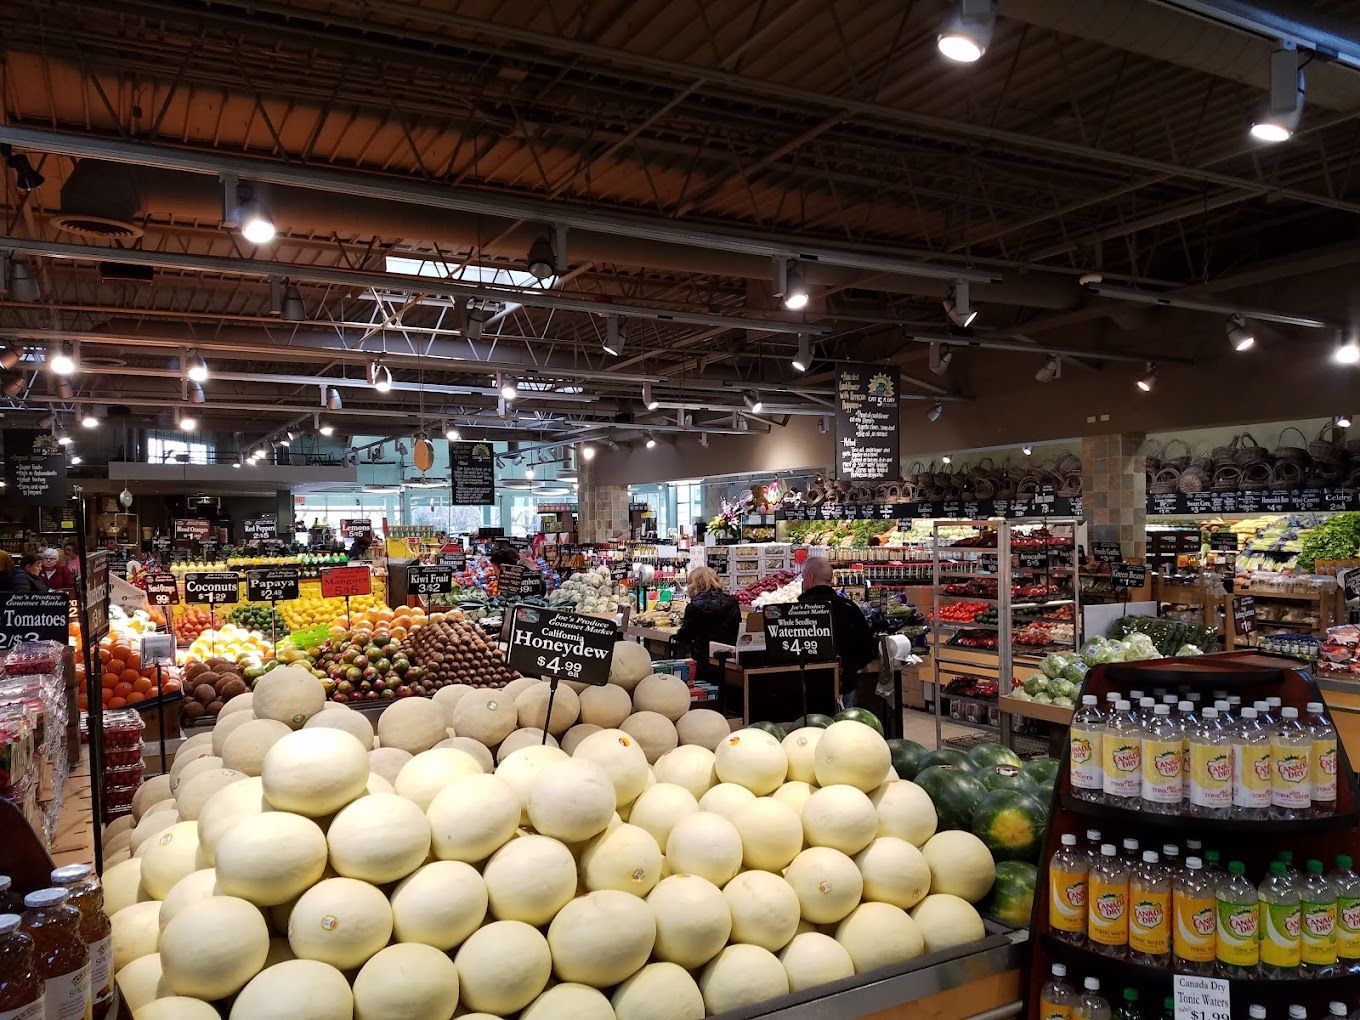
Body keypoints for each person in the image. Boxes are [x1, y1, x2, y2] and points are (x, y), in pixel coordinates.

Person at [798, 556, 877, 708]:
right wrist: (848, 669)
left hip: (808, 689)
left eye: (803, 577)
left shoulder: (798, 611)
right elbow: (867, 648)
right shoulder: (849, 607)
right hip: (845, 685)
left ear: (810, 577)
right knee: (843, 728)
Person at [674, 567, 742, 661]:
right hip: (727, 656)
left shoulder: (694, 606)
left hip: (702, 658)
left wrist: (678, 634)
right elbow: (737, 628)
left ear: (694, 585)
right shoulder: (732, 602)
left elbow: (686, 635)